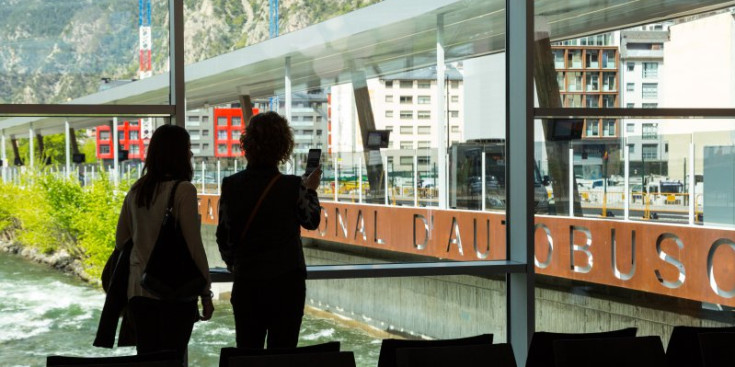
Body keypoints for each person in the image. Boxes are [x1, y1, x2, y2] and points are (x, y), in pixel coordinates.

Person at [217, 111, 321, 349]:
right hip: (287, 285)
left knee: (248, 352)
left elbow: (224, 236)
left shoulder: (231, 185)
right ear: (283, 147)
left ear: (247, 145)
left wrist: (234, 264)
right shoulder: (293, 186)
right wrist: (311, 189)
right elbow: (311, 220)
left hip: (248, 284)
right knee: (283, 355)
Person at [115, 124, 214, 360]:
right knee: (173, 358)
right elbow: (194, 248)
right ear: (178, 153)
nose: (190, 154)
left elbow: (121, 241)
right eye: (188, 148)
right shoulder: (183, 191)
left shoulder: (136, 190)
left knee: (147, 359)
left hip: (139, 292)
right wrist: (206, 294)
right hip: (174, 292)